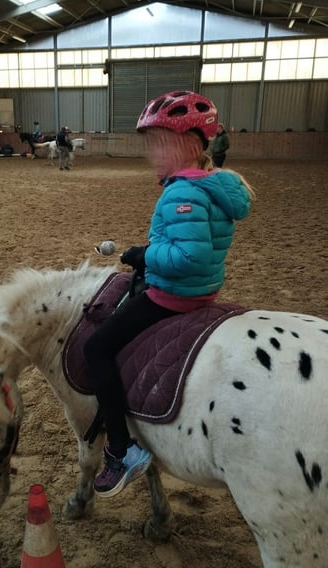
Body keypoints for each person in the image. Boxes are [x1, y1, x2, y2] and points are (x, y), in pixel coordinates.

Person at [83, 90, 254, 498]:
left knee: (96, 347)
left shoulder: (181, 192)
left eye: (158, 145)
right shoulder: (214, 186)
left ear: (188, 146)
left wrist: (143, 255)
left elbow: (189, 256)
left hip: (173, 295)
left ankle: (122, 450)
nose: (151, 155)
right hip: (202, 290)